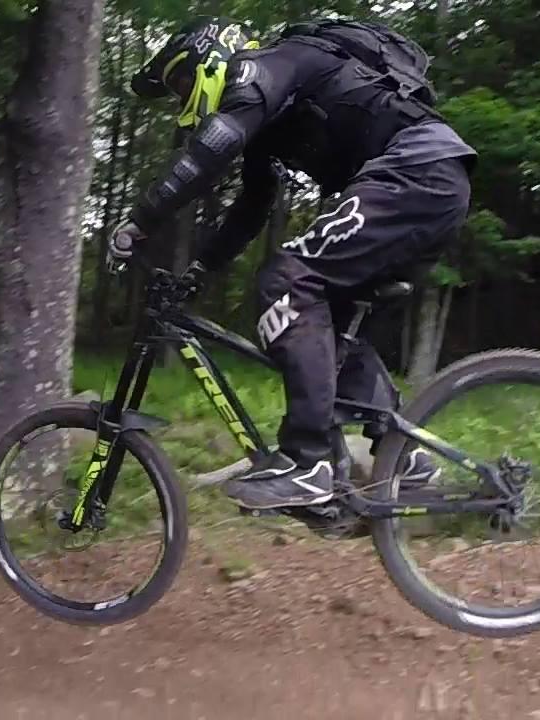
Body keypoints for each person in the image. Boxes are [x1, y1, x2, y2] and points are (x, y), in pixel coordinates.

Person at [107, 16, 476, 510]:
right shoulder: (270, 121)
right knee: (332, 324)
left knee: (288, 279)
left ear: (209, 57)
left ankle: (308, 464)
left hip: (415, 171)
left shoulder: (269, 66)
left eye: (181, 81)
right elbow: (251, 209)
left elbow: (213, 147)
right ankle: (402, 459)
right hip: (427, 183)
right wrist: (199, 270)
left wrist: (140, 219)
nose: (181, 98)